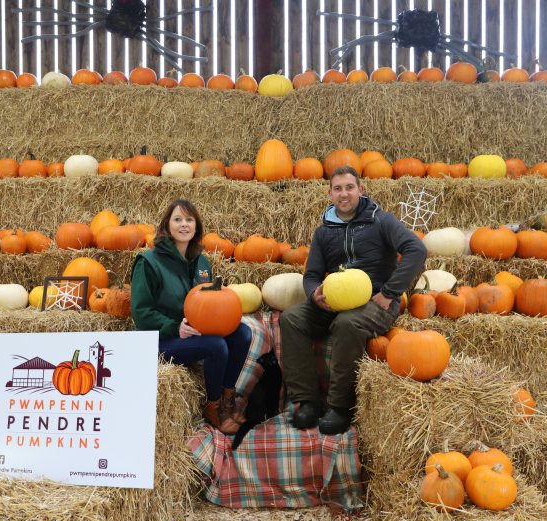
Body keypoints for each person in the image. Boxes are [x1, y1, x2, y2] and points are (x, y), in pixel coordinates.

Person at [280, 165, 427, 435]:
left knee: (347, 324)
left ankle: (339, 407)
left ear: (360, 190)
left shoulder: (381, 221)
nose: (344, 194)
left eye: (349, 187)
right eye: (338, 189)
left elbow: (416, 249)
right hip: (335, 301)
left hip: (375, 302)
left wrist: (390, 293)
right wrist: (315, 294)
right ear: (330, 194)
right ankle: (308, 402)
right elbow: (311, 275)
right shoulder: (324, 232)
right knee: (290, 318)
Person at [131, 199, 252, 435]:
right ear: (167, 226)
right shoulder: (148, 262)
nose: (184, 224)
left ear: (197, 227)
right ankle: (213, 404)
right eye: (177, 219)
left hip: (194, 332)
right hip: (161, 339)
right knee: (216, 346)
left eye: (189, 220)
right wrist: (174, 327)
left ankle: (228, 397)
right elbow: (140, 312)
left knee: (243, 333)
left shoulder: (201, 262)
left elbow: (209, 303)